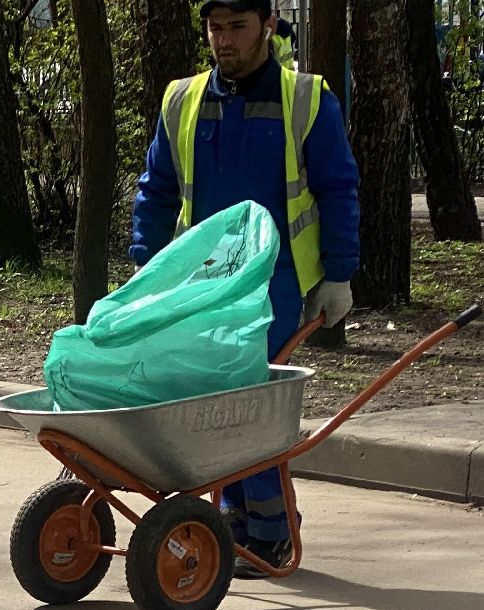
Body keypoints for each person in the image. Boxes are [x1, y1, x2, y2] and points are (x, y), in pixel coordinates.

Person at [132, 0, 360, 577]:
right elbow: (157, 189)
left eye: (237, 27)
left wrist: (338, 274)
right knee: (218, 408)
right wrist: (144, 269)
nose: (224, 40)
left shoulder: (307, 99)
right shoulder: (183, 100)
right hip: (204, 281)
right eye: (215, 28)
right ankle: (237, 522)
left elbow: (338, 188)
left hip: (275, 280)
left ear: (268, 26)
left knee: (247, 406)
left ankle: (272, 531)